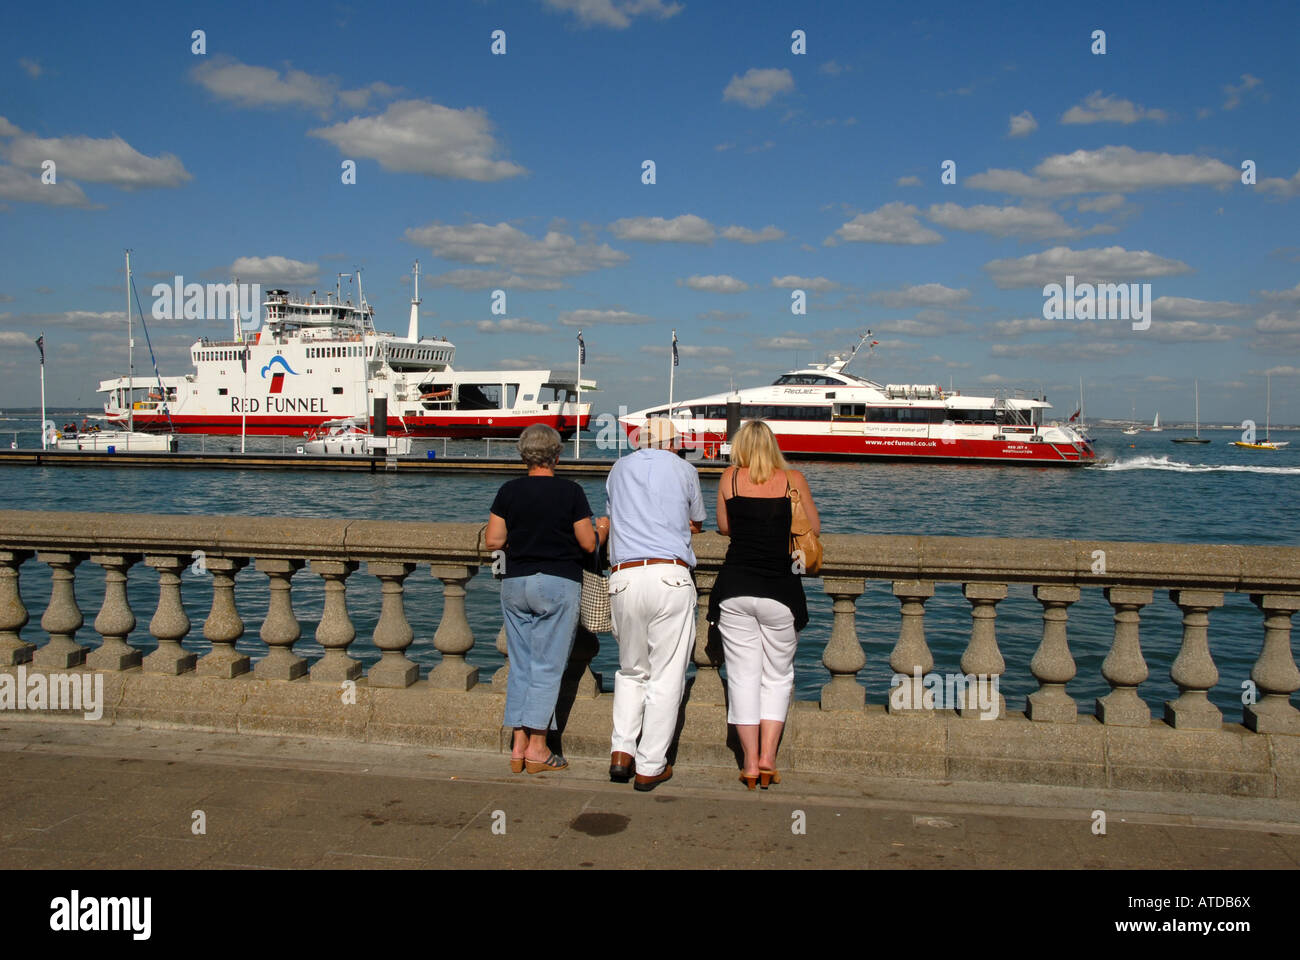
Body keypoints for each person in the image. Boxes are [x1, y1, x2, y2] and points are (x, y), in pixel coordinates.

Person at [485, 424, 608, 774]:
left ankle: (518, 744)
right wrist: (602, 531)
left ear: (524, 455)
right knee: (548, 666)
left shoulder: (508, 491)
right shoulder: (570, 492)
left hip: (515, 583)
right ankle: (538, 747)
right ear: (556, 455)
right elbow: (586, 544)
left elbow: (493, 541)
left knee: (521, 666)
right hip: (556, 583)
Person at [709, 420, 819, 789]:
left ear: (740, 447)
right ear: (772, 446)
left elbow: (725, 528)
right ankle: (769, 758)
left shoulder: (730, 479)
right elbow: (812, 529)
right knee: (777, 676)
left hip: (736, 587)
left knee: (742, 678)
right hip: (781, 589)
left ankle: (750, 763)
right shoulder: (794, 480)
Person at [605, 417, 706, 791]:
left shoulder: (618, 468)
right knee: (667, 676)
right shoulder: (684, 469)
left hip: (625, 576)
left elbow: (616, 516)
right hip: (670, 576)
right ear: (673, 443)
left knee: (631, 671)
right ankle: (650, 764)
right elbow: (696, 521)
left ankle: (621, 752)